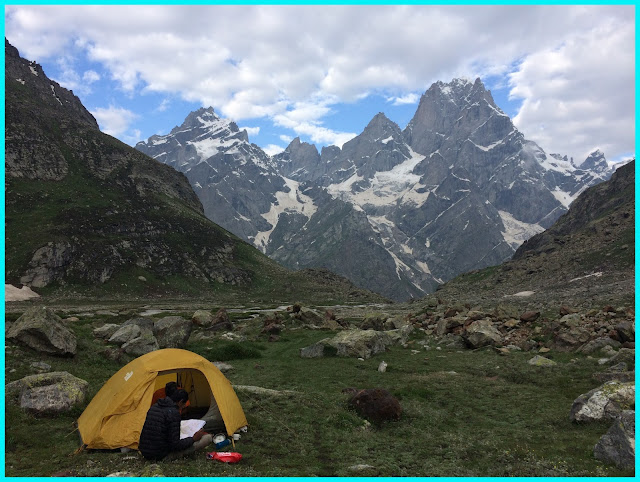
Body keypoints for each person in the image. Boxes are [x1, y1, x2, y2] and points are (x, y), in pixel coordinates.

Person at [138, 389, 212, 461]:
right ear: (180, 402)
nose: (183, 408)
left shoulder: (154, 407)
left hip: (145, 452)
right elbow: (175, 445)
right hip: (160, 455)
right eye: (184, 405)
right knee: (207, 438)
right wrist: (193, 439)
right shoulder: (173, 413)